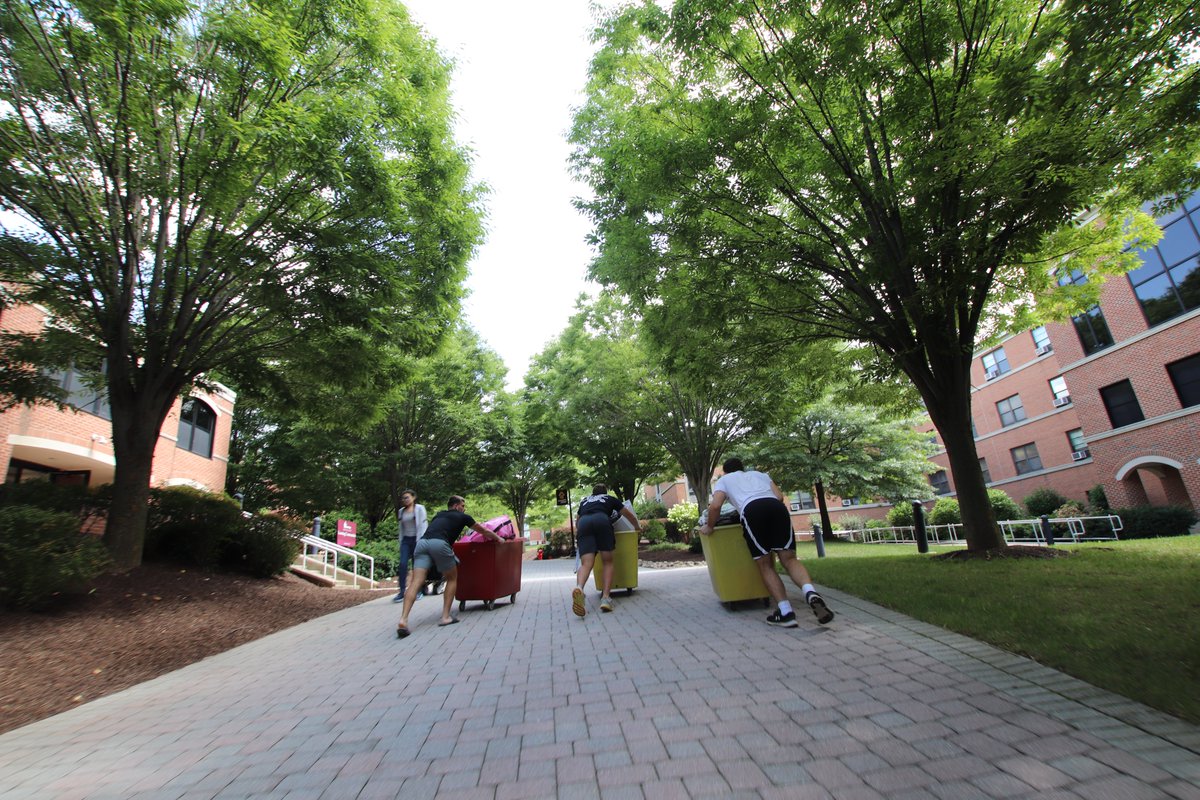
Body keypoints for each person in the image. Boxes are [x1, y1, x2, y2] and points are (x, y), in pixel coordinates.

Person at [698, 458, 834, 628]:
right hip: (777, 509)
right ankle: (810, 592)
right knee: (790, 559)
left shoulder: (724, 480)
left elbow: (716, 505)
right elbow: (779, 496)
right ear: (743, 468)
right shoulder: (760, 474)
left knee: (765, 564)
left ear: (725, 471)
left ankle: (786, 613)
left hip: (753, 511)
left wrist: (709, 526)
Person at [396, 495, 500, 638]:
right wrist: (499, 538)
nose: (464, 509)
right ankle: (445, 617)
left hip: (422, 544)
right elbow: (484, 531)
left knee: (415, 582)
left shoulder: (439, 515)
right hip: (439, 544)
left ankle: (403, 620)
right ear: (457, 506)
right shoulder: (464, 517)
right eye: (463, 506)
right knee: (452, 578)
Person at [571, 483, 640, 617]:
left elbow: (577, 521)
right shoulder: (609, 499)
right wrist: (637, 527)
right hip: (601, 521)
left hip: (584, 524)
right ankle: (606, 599)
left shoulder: (585, 501)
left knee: (586, 563)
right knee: (607, 561)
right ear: (605, 492)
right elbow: (628, 515)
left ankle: (579, 588)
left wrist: (579, 534)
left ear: (593, 492)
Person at [393, 489, 427, 602]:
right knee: (402, 564)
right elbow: (401, 528)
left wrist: (421, 541)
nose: (405, 500)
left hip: (417, 540)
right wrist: (401, 541)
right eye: (403, 498)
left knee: (416, 566)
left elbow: (423, 526)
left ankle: (418, 590)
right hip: (406, 541)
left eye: (407, 497)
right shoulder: (401, 511)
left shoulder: (420, 509)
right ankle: (402, 592)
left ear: (413, 497)